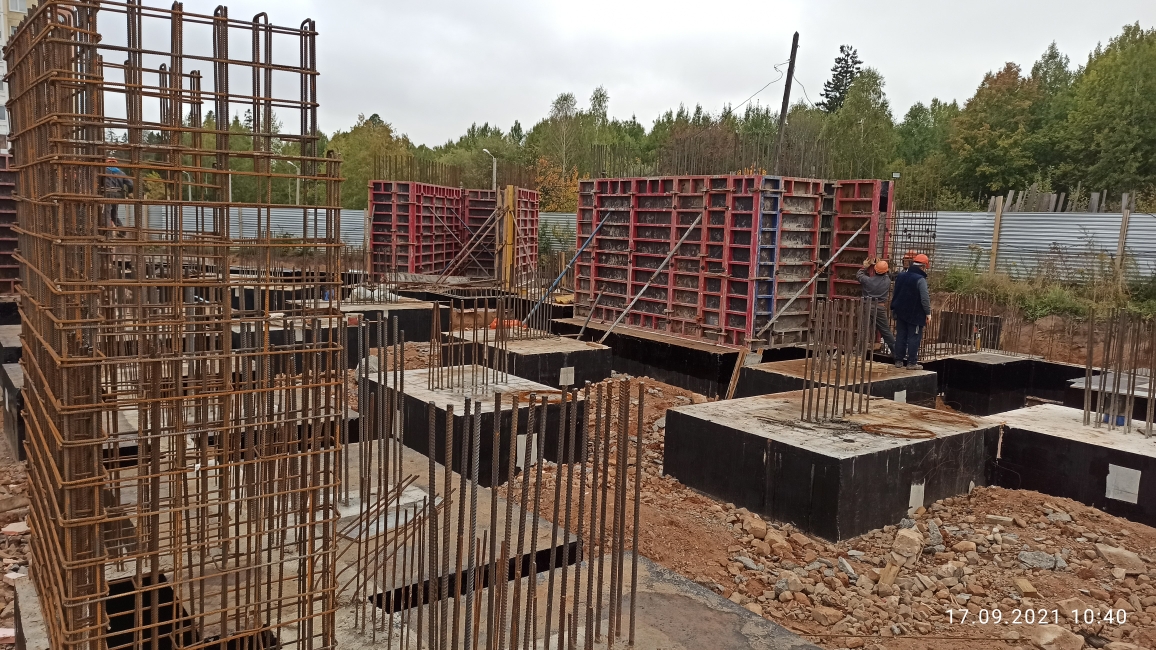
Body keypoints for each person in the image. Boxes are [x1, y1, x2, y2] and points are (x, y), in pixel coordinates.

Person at [890, 253, 931, 369]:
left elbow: (895, 293)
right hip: (915, 314)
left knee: (900, 336)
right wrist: (928, 313)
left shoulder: (901, 276)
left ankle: (898, 361)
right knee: (914, 337)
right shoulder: (920, 280)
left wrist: (895, 308)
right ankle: (912, 363)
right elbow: (925, 298)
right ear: (923, 267)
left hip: (900, 311)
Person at [856, 256, 896, 355]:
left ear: (874, 270)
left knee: (864, 330)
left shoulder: (868, 280)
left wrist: (865, 266)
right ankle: (896, 353)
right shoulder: (887, 281)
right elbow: (889, 274)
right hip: (880, 308)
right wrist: (880, 264)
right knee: (886, 331)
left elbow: (859, 275)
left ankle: (860, 353)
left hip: (866, 306)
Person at [102, 157, 133, 230]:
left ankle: (108, 232)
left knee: (106, 214)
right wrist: (130, 192)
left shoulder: (103, 171)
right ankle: (122, 232)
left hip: (108, 194)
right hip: (118, 195)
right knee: (114, 215)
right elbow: (131, 184)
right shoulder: (121, 173)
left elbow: (98, 182)